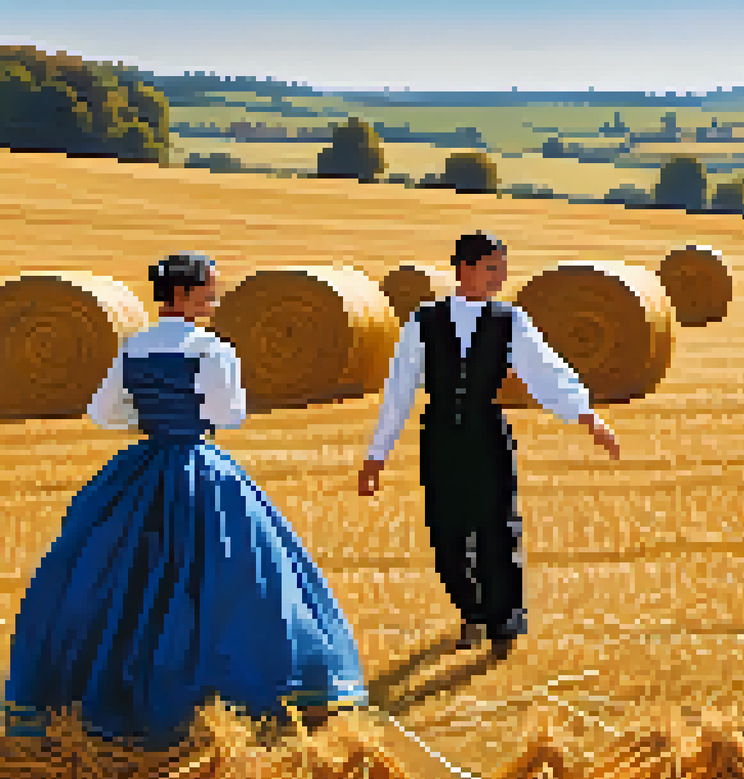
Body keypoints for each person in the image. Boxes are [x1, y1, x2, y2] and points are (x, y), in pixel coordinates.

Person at [3, 252, 367, 748]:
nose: (215, 300)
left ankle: (110, 693)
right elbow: (231, 414)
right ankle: (242, 696)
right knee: (234, 578)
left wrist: (150, 418)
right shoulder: (211, 350)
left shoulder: (133, 347)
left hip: (144, 466)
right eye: (208, 291)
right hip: (200, 467)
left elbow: (105, 414)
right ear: (181, 293)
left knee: (115, 579)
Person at [358, 232, 620, 658]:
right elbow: (399, 392)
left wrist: (588, 416)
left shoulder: (510, 320)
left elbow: (547, 372)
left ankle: (504, 621)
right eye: (492, 267)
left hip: (487, 433)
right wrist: (376, 456)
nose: (500, 277)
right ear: (465, 269)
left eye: (502, 268)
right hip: (439, 436)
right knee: (447, 531)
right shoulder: (421, 323)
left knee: (498, 526)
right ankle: (471, 612)